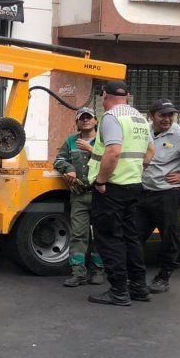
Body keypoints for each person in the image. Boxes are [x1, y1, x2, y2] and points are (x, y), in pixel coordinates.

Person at [87, 80, 154, 306]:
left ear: (104, 95)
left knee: (109, 238)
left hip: (112, 188)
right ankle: (138, 287)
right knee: (130, 237)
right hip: (133, 185)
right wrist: (135, 169)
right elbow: (150, 152)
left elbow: (113, 152)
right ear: (127, 96)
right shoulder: (140, 119)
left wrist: (100, 181)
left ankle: (118, 291)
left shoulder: (111, 117)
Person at [136, 99, 180, 294]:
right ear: (151, 116)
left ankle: (164, 275)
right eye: (162, 115)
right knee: (133, 236)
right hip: (144, 193)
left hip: (169, 195)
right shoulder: (144, 131)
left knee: (170, 237)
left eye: (170, 114)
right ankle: (134, 275)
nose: (167, 118)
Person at [54, 107, 104, 286]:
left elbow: (112, 159)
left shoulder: (104, 140)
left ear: (95, 121)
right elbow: (58, 160)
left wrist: (91, 149)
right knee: (78, 235)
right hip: (79, 196)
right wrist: (69, 168)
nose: (85, 120)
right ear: (77, 122)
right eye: (81, 118)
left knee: (100, 234)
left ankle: (98, 271)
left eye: (89, 117)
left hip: (101, 195)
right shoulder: (71, 141)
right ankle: (78, 273)